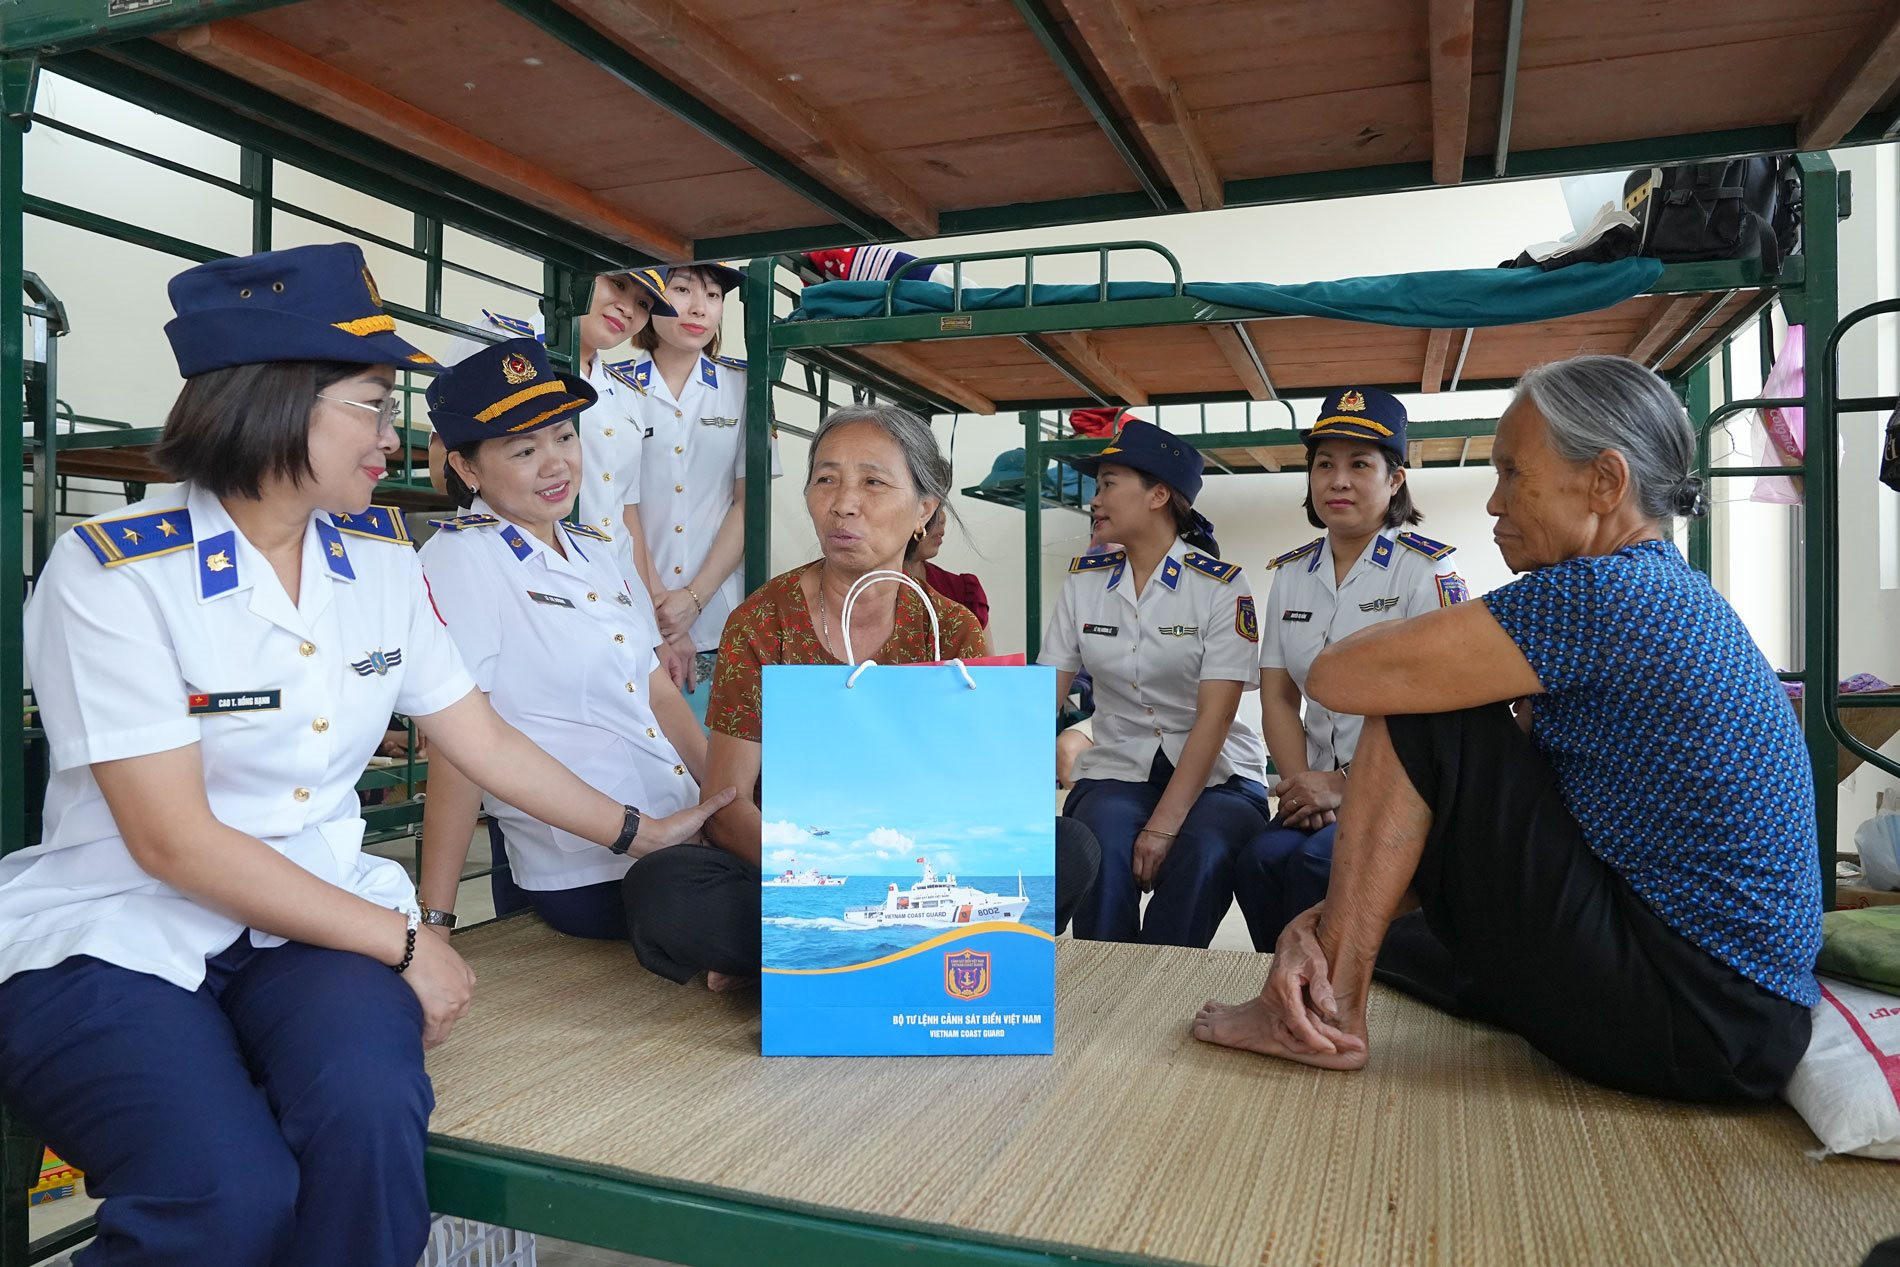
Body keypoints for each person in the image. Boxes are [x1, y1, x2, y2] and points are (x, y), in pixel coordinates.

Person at [0, 244, 731, 1267]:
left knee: (370, 1118)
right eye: (375, 404)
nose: (397, 435)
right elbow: (170, 842)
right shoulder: (116, 571)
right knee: (226, 1193)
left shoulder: (377, 561)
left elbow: (476, 735)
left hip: (308, 924)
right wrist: (406, 940)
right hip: (119, 930)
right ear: (279, 400)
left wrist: (636, 829)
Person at [1192, 355, 1821, 1103]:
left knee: (1426, 709)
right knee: (1399, 938)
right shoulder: (1662, 587)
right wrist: (1331, 918)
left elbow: (1337, 677)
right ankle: (1333, 966)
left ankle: (1326, 1015)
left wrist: (1335, 931)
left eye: (1512, 473)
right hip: (1741, 1018)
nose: (1493, 502)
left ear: (1605, 482)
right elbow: (1496, 824)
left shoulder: (1599, 593)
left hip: (1695, 1011)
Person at [623, 404, 1100, 988]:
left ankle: (797, 963)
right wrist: (834, 874)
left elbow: (982, 793)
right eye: (825, 479)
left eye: (873, 482)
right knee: (663, 889)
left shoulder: (950, 630)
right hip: (794, 866)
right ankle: (898, 961)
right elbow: (727, 806)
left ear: (925, 510)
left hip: (924, 866)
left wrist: (908, 865)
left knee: (1071, 846)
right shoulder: (761, 622)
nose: (844, 503)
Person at [414, 338, 708, 941]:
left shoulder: (599, 551)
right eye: (524, 450)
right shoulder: (461, 559)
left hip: (680, 826)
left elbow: (661, 698)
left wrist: (729, 806)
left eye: (565, 437)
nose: (557, 465)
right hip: (591, 864)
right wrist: (437, 920)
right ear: (467, 469)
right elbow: (457, 746)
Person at [1233, 387, 1468, 950]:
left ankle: (1329, 999)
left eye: (1360, 464)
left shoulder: (1424, 572)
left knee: (1319, 865)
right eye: (1324, 465)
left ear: (1395, 480)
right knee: (1259, 861)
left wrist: (1342, 787)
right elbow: (1278, 697)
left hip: (1399, 790)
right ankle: (1286, 989)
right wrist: (1300, 789)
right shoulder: (1291, 575)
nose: (1337, 481)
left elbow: (1443, 705)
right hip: (1312, 785)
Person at [1041, 418, 1269, 947]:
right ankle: (1104, 986)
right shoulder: (1083, 585)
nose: (1095, 499)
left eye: (1108, 483)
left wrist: (1164, 825)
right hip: (1121, 767)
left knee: (1204, 850)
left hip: (1220, 773)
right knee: (1099, 841)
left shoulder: (1221, 588)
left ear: (1158, 495)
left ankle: (1166, 981)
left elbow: (1216, 717)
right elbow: (1045, 693)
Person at [433, 270, 677, 612]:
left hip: (615, 587)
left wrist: (649, 611)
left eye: (643, 303)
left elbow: (624, 512)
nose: (628, 309)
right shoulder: (496, 339)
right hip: (519, 579)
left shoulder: (626, 391)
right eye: (618, 285)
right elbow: (442, 463)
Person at [622, 263, 782, 718]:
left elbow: (748, 503)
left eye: (713, 296)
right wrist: (662, 615)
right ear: (651, 296)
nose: (699, 308)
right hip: (632, 610)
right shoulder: (613, 387)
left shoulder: (745, 386)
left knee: (713, 772)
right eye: (682, 289)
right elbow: (618, 507)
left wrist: (692, 601)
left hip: (718, 618)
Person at [905, 503, 991, 651]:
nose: (942, 518)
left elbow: (986, 672)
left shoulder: (963, 592)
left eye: (941, 506)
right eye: (925, 506)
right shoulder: (859, 590)